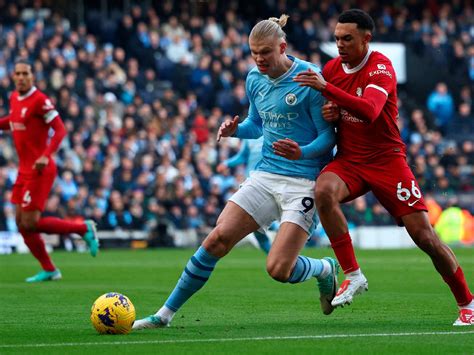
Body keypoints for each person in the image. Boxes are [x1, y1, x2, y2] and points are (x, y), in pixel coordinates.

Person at [133, 14, 338, 330]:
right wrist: (234, 130)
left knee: (279, 269)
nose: (259, 59)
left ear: (282, 47)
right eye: (254, 52)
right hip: (265, 173)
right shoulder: (254, 78)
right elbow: (257, 124)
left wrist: (303, 151)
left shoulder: (308, 78)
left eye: (266, 52)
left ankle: (324, 268)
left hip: (303, 181)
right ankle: (164, 315)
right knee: (216, 239)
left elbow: (329, 137)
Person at [293, 9, 473, 326]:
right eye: (336, 38)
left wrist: (327, 91)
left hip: (388, 161)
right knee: (323, 191)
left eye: (347, 38)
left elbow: (371, 110)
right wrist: (329, 112)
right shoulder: (332, 69)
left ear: (366, 38)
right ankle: (353, 273)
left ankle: (467, 302)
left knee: (426, 237)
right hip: (350, 160)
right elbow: (330, 111)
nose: (340, 44)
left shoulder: (380, 67)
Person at [0, 59, 99, 282]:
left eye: (26, 73)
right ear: (13, 76)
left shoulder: (40, 100)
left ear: (32, 76)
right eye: (18, 73)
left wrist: (46, 155)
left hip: (40, 169)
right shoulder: (14, 98)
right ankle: (49, 269)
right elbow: (14, 120)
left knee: (31, 222)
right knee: (21, 224)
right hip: (23, 170)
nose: (22, 77)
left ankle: (83, 228)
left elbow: (60, 129)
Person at [216, 136, 272, 254]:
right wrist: (226, 163)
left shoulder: (276, 130)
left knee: (261, 222)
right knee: (257, 229)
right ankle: (276, 258)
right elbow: (242, 156)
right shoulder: (250, 137)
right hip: (250, 183)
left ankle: (281, 233)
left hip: (269, 183)